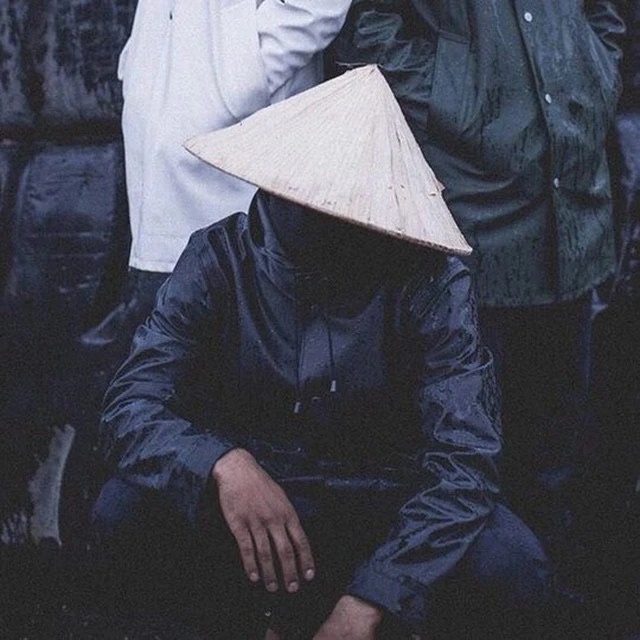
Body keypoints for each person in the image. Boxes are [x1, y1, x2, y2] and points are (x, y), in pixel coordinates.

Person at [93, 67, 549, 639]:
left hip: (383, 498)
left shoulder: (431, 281)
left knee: (510, 562)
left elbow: (465, 460)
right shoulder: (217, 259)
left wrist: (373, 596)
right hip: (256, 496)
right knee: (125, 510)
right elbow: (129, 406)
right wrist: (221, 463)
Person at [332, 1, 627, 568]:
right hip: (470, 217)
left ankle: (544, 592)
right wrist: (455, 99)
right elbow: (366, 24)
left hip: (572, 215)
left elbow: (606, 16)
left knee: (554, 447)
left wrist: (591, 73)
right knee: (459, 454)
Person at [80, 0, 352, 351]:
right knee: (174, 335)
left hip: (240, 137)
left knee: (238, 327)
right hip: (169, 113)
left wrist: (243, 76)